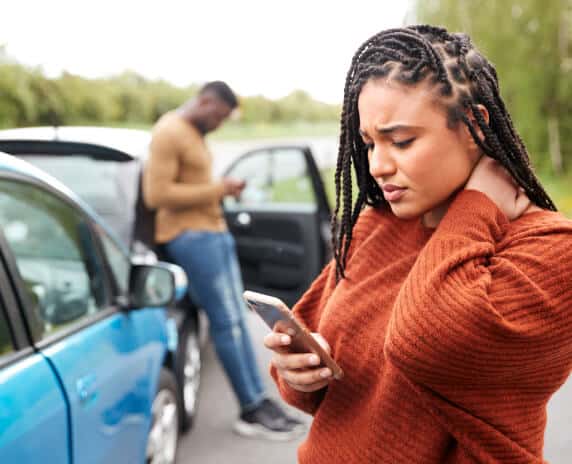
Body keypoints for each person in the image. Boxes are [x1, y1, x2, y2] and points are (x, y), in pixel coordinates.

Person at [263, 25, 572, 463]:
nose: (377, 166)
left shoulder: (552, 250)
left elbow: (426, 342)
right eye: (369, 143)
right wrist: (298, 374)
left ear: (474, 127)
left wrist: (476, 205)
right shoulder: (375, 227)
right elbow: (326, 383)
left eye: (401, 141)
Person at [143, 81, 304, 440]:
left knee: (238, 321)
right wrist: (219, 189)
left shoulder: (193, 132)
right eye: (218, 116)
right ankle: (250, 409)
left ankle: (261, 400)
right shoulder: (169, 131)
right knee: (226, 324)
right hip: (191, 238)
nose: (218, 124)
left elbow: (190, 183)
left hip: (213, 234)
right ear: (205, 101)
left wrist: (220, 189)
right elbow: (157, 194)